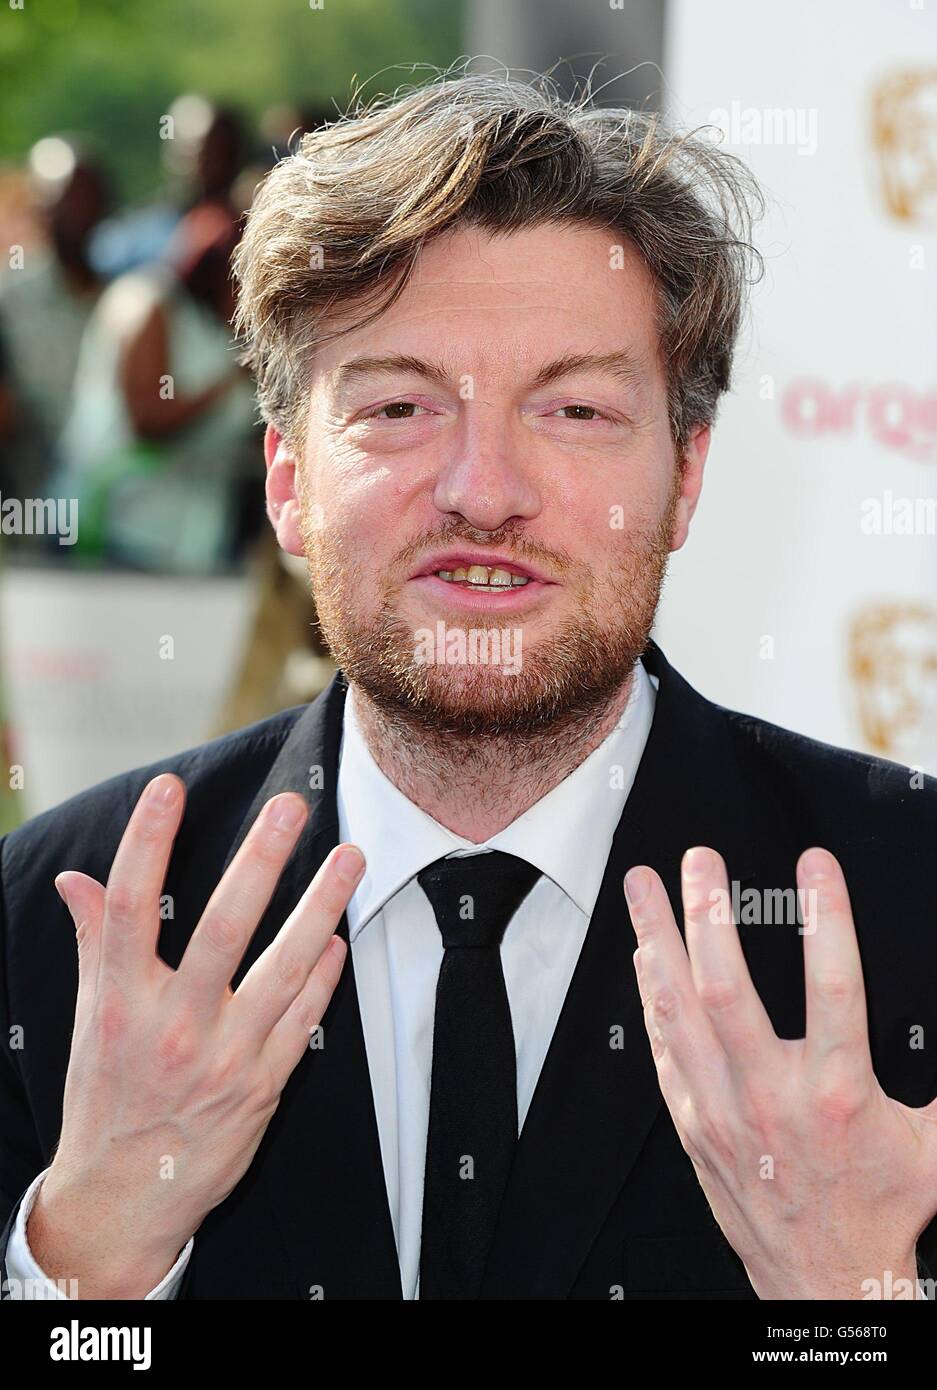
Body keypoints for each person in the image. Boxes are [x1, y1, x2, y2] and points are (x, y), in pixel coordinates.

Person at [2, 70, 936, 1302]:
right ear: (287, 480)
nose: (483, 488)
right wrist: (83, 1265)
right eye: (398, 405)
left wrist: (854, 1301)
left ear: (686, 478)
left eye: (576, 407)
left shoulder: (911, 901)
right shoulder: (51, 930)